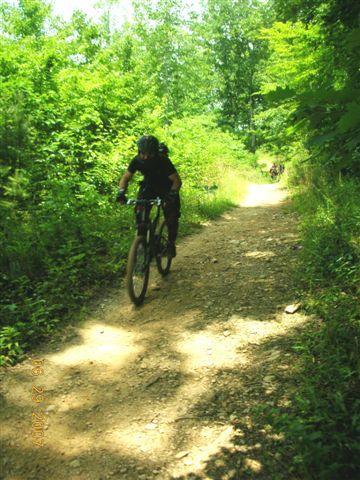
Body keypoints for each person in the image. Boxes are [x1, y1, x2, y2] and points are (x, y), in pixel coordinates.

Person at [117, 135, 182, 258]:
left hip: (166, 188)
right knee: (140, 212)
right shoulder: (137, 160)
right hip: (149, 187)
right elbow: (125, 177)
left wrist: (172, 195)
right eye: (143, 153)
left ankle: (171, 244)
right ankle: (142, 242)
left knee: (172, 216)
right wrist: (121, 192)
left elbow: (176, 181)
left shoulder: (163, 160)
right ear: (139, 151)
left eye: (150, 154)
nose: (146, 157)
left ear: (155, 152)